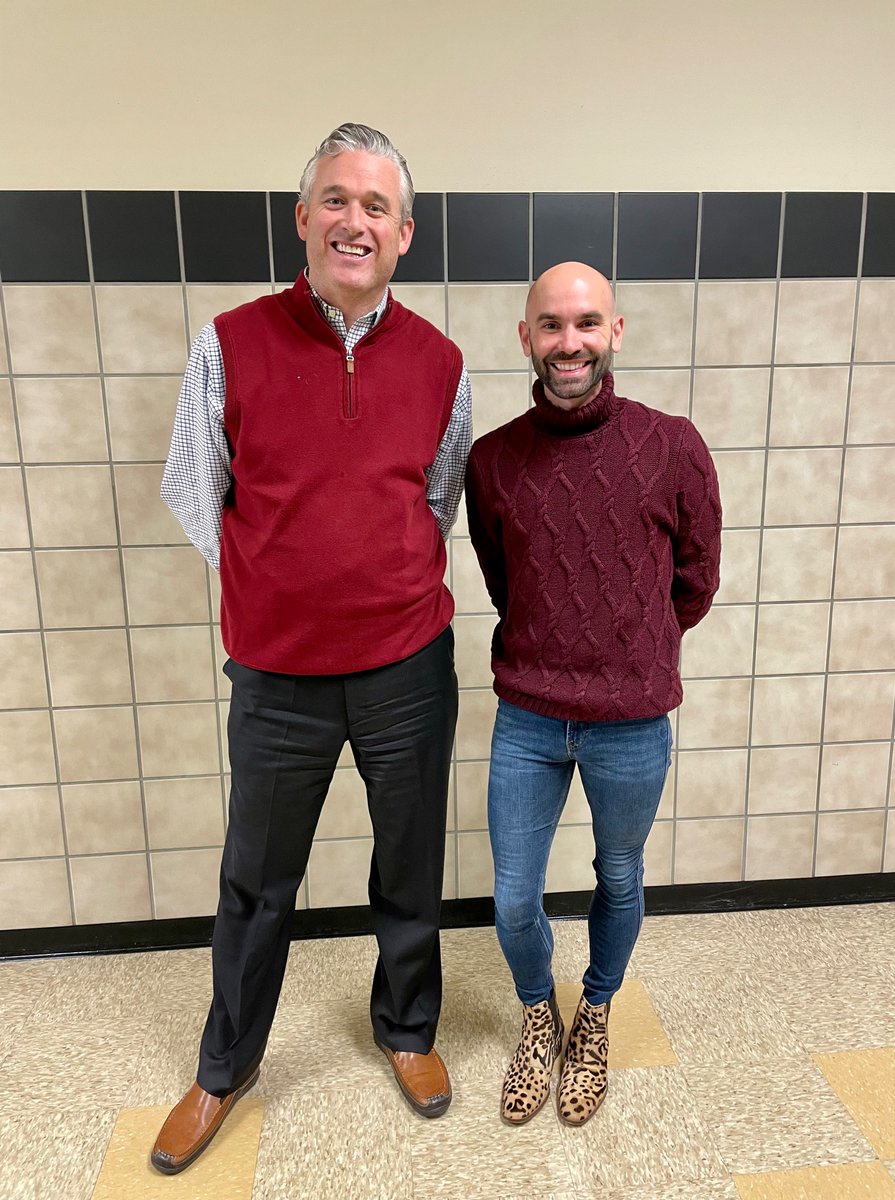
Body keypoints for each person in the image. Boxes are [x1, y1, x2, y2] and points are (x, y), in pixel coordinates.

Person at [150, 123, 471, 1175]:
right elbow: (198, 495)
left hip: (407, 668)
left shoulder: (440, 361)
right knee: (257, 879)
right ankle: (225, 1065)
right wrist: (284, 580)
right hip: (279, 676)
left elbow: (437, 499)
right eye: (337, 199)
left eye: (376, 207)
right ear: (303, 217)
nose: (354, 221)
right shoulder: (230, 341)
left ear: (405, 234)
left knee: (409, 866)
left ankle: (409, 1031)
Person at [465, 262, 721, 1127]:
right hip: (529, 717)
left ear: (615, 332)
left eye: (584, 324)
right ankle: (540, 1013)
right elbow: (509, 582)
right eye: (549, 325)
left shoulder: (673, 443)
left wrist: (636, 652)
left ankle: (597, 1009)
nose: (566, 343)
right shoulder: (492, 460)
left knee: (618, 874)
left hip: (632, 722)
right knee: (511, 896)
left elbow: (696, 579)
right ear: (526, 338)